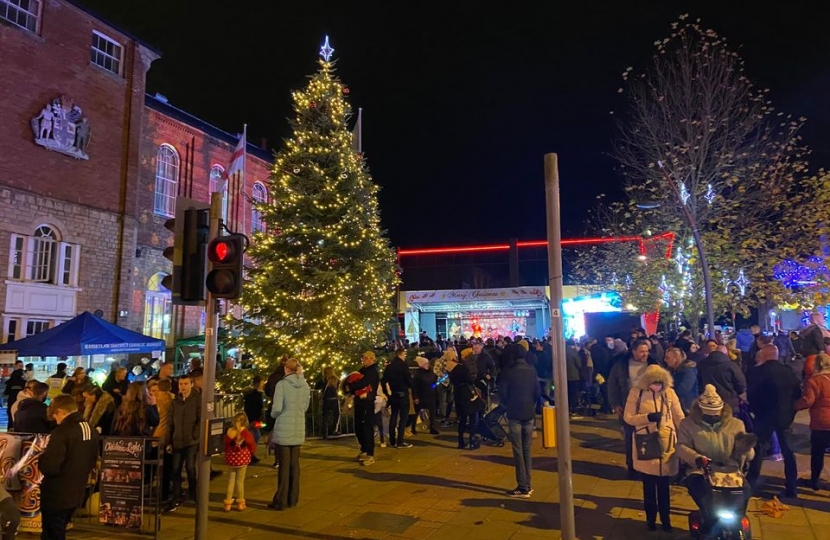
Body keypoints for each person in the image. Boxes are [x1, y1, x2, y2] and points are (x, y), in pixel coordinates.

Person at [676, 385, 756, 539]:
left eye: (716, 414)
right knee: (706, 499)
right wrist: (697, 458)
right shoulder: (688, 424)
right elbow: (681, 447)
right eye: (709, 414)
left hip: (730, 472)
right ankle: (706, 525)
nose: (713, 417)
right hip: (701, 471)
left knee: (744, 493)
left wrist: (745, 448)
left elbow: (749, 455)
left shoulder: (736, 424)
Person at [623, 364, 684, 532]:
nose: (657, 385)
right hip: (647, 443)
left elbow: (679, 416)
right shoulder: (637, 392)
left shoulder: (669, 393)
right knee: (648, 486)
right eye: (654, 382)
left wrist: (686, 435)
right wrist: (647, 418)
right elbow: (628, 417)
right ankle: (651, 519)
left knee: (664, 487)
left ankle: (666, 520)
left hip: (666, 444)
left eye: (659, 382)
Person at [39, 394, 99, 540]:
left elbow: (51, 466)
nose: (56, 420)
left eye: (55, 415)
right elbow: (92, 458)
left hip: (57, 491)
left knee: (53, 532)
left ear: (61, 411)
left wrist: (41, 459)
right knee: (59, 528)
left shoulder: (62, 432)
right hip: (77, 489)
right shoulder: (89, 428)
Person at [746, 343, 801, 498]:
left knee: (758, 450)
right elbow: (797, 394)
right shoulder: (788, 372)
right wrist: (791, 411)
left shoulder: (757, 372)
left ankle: (751, 482)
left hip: (764, 416)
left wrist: (754, 411)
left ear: (764, 356)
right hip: (784, 416)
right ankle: (791, 486)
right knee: (788, 451)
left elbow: (752, 395)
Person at [608, 339, 657, 477]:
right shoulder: (621, 365)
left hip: (648, 406)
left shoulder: (653, 363)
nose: (645, 354)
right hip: (627, 406)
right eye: (642, 351)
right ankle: (632, 466)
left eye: (646, 351)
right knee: (630, 437)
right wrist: (615, 404)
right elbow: (613, 385)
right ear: (634, 351)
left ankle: (648, 465)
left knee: (648, 436)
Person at [498, 343, 541, 498]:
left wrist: (507, 403)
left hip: (514, 413)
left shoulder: (508, 372)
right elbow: (537, 392)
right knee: (527, 449)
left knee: (518, 449)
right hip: (529, 413)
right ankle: (527, 484)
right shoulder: (531, 370)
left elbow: (502, 393)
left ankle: (523, 486)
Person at [268, 359, 310, 510]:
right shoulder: (305, 385)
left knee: (283, 467)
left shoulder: (282, 385)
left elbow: (277, 407)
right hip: (298, 428)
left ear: (286, 369)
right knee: (294, 465)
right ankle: (293, 498)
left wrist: (273, 415)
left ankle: (281, 499)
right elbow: (305, 406)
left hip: (284, 428)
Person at [794, 352, 830, 490]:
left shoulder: (814, 381)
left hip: (821, 422)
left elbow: (808, 401)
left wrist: (794, 405)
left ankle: (815, 481)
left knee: (817, 453)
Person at [167, 374, 200, 511]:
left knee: (190, 467)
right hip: (177, 440)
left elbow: (200, 418)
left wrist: (195, 434)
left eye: (186, 384)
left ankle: (193, 492)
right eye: (181, 384)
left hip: (191, 440)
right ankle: (176, 496)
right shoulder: (175, 402)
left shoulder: (197, 400)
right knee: (176, 469)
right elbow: (170, 423)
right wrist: (169, 440)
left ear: (191, 384)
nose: (183, 387)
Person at [223, 412, 256, 512]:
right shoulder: (246, 433)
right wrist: (251, 452)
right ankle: (241, 503)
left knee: (231, 481)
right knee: (240, 481)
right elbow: (252, 445)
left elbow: (225, 445)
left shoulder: (229, 432)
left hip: (231, 460)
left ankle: (228, 504)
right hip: (242, 460)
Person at [382, 348, 414, 449]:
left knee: (394, 417)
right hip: (403, 394)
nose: (405, 356)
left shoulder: (389, 367)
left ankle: (392, 440)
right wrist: (411, 386)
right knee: (403, 418)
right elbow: (408, 380)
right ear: (401, 354)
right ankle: (400, 441)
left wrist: (387, 394)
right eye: (404, 354)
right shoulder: (403, 366)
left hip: (393, 394)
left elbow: (383, 381)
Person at [412, 356, 439, 435]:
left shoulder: (431, 372)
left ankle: (432, 427)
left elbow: (434, 381)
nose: (428, 365)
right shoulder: (418, 375)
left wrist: (435, 385)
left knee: (432, 412)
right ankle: (413, 427)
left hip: (431, 395)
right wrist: (415, 397)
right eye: (426, 364)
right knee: (416, 412)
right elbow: (415, 386)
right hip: (422, 395)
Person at [4, 360, 25, 430]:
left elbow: (6, 392)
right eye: (20, 366)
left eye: (22, 366)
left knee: (11, 420)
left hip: (11, 403)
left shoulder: (9, 382)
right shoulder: (24, 382)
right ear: (15, 366)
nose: (21, 368)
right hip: (21, 404)